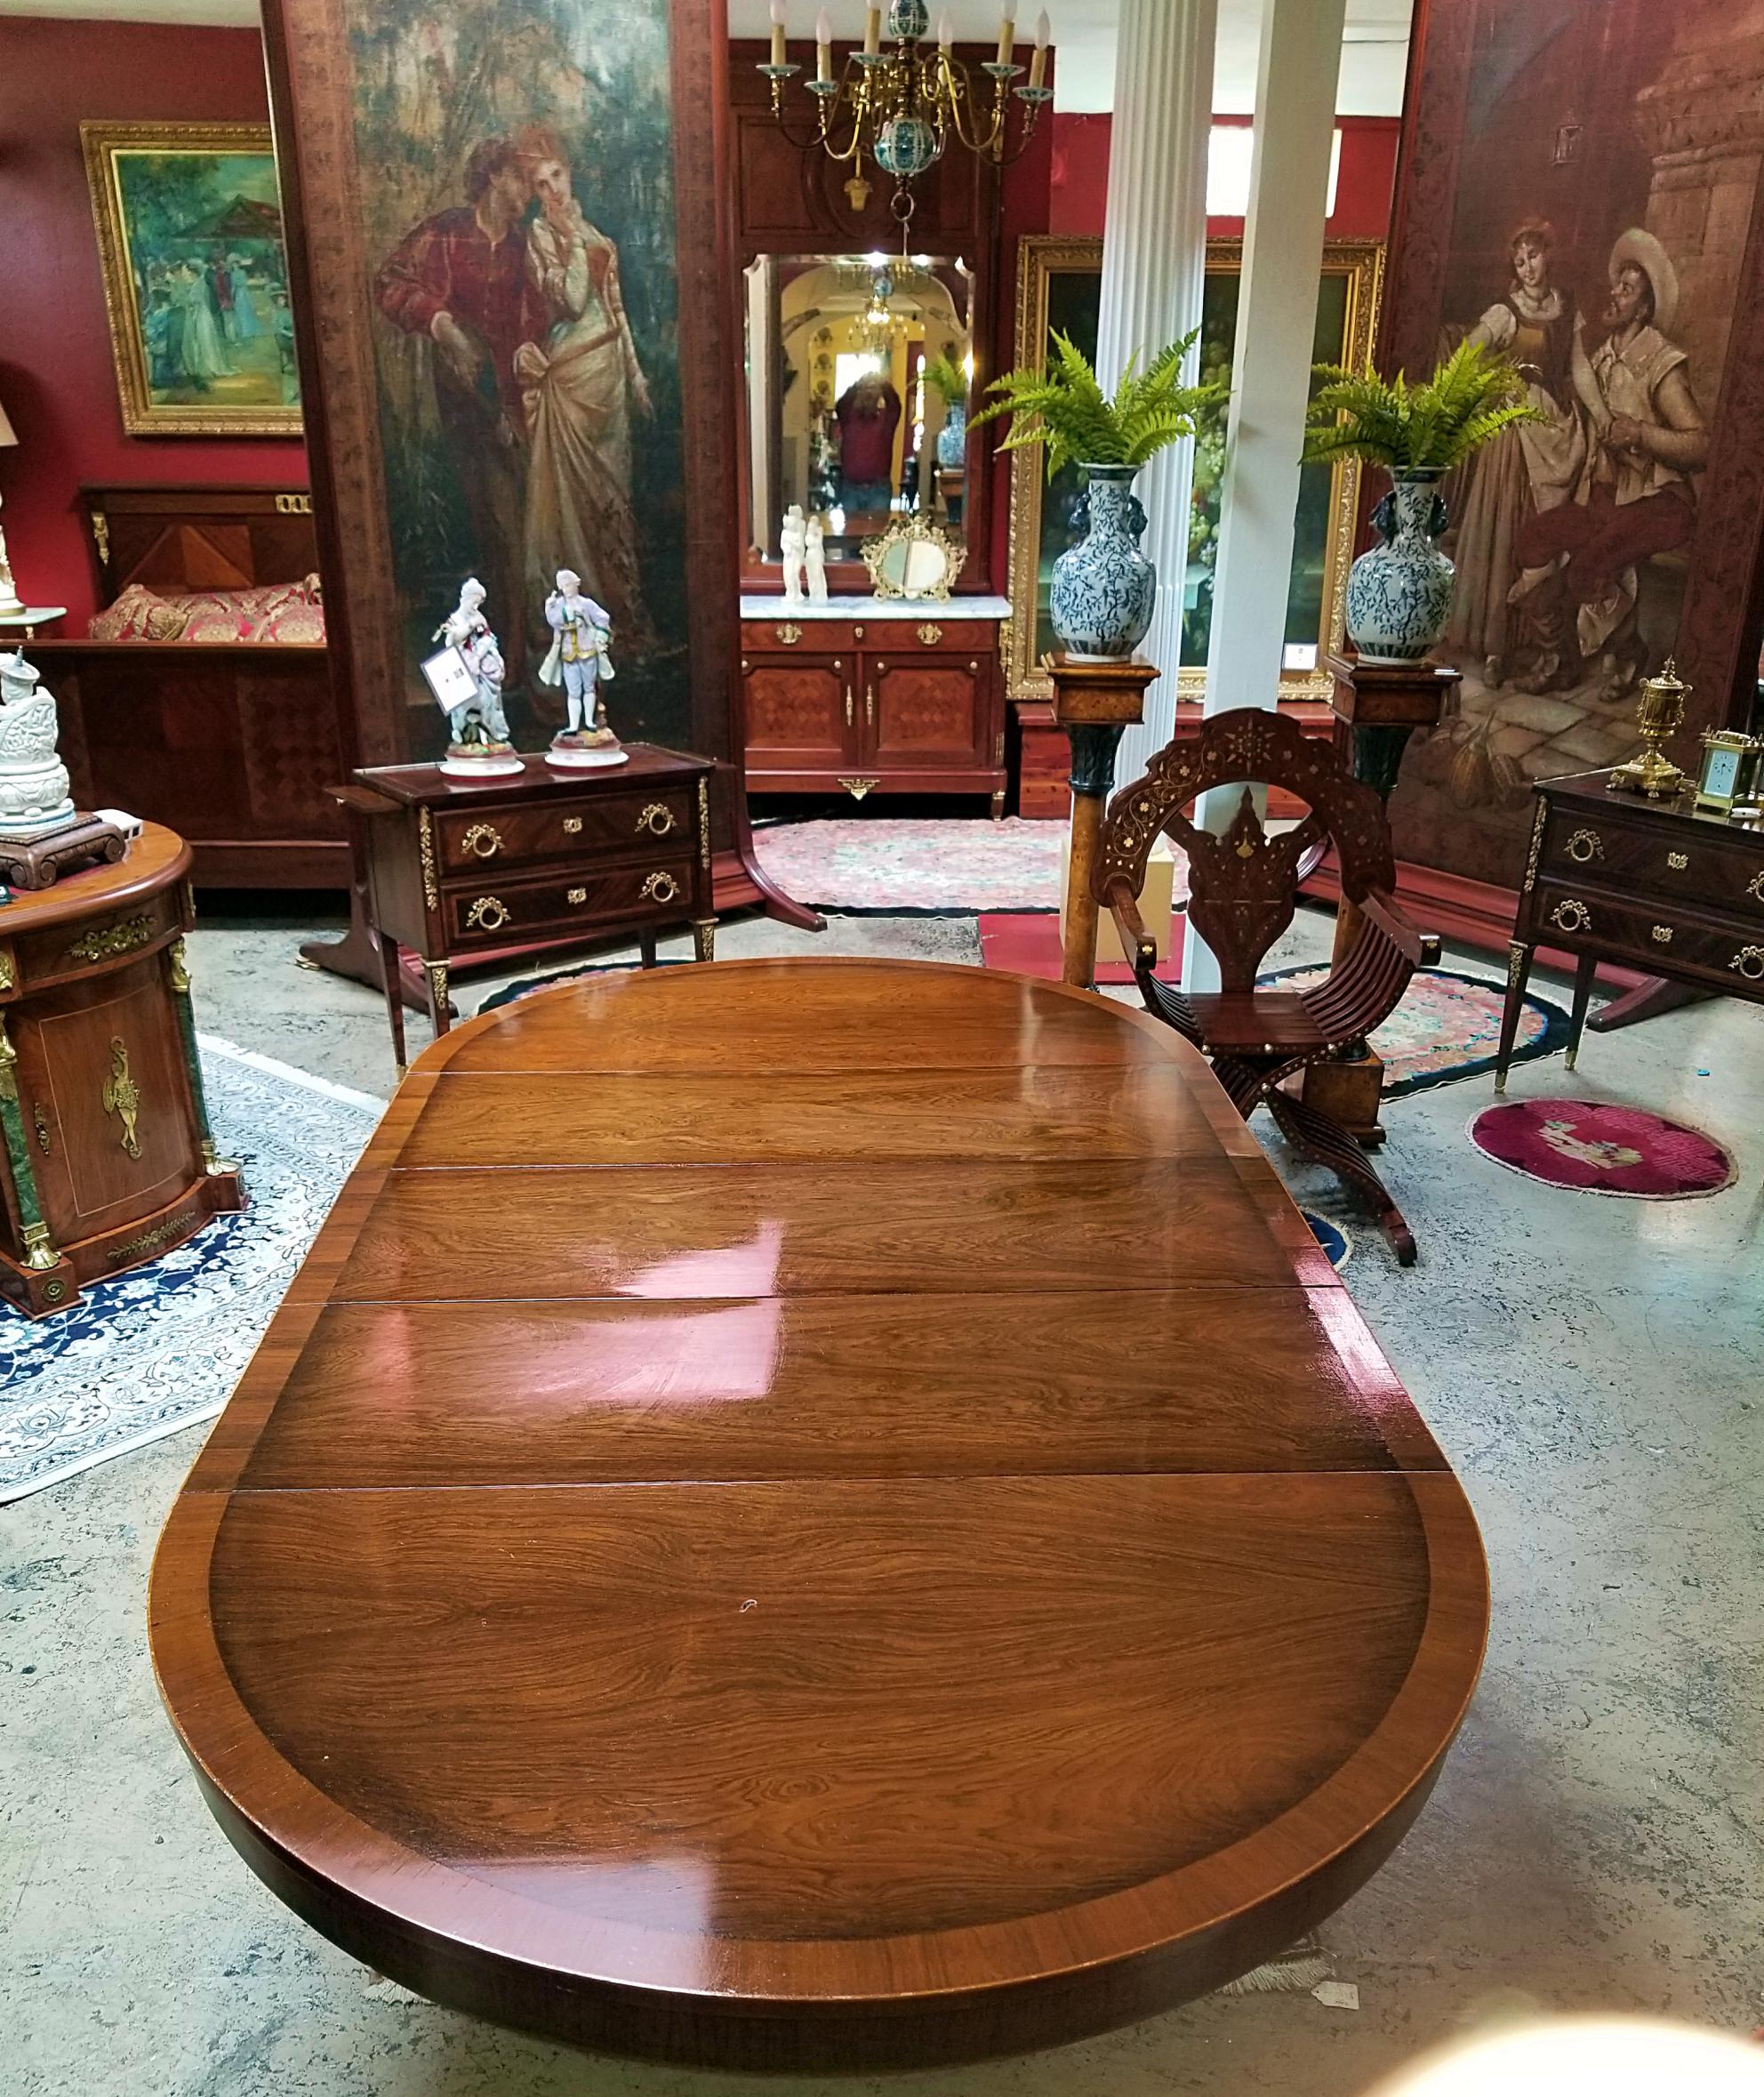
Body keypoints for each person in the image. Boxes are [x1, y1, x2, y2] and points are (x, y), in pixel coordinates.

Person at [1511, 229, 1709, 698]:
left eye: (1627, 289)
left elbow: (1701, 446)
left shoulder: (1660, 362)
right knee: (1534, 538)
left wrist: (1640, 434)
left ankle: (1627, 653)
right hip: (1607, 498)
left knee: (1587, 567)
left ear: (1644, 308)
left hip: (1660, 502)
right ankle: (1561, 656)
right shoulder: (1599, 360)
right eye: (1616, 284)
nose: (1614, 295)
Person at [376, 137, 541, 687]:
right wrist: (441, 324)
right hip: (462, 401)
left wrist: (528, 356)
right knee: (492, 527)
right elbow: (391, 283)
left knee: (518, 528)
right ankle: (492, 673)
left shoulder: (521, 246)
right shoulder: (446, 232)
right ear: (494, 177)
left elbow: (530, 323)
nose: (528, 193)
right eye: (521, 180)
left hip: (513, 399)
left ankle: (508, 669)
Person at [512, 125, 655, 655]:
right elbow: (572, 302)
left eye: (557, 176)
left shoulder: (598, 235)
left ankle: (624, 622)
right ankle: (578, 630)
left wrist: (636, 374)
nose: (553, 190)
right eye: (541, 184)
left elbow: (616, 311)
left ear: (570, 172)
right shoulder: (542, 237)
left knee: (614, 494)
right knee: (575, 505)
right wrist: (569, 239)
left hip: (609, 380)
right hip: (570, 382)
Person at [1444, 221, 1589, 679]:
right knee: (1503, 532)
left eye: (1535, 255)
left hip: (1551, 429)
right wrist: (1491, 389)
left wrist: (1601, 421)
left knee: (1540, 533)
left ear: (1549, 255)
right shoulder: (1504, 312)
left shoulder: (1568, 312)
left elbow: (1580, 371)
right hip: (1511, 437)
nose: (1528, 267)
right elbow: (1466, 355)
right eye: (1519, 259)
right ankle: (1494, 648)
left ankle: (1534, 644)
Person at [539, 566, 615, 743]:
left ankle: (589, 721)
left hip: (587, 650)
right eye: (564, 585)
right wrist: (549, 608)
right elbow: (554, 621)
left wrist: (599, 635)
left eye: (569, 584)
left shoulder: (586, 604)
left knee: (589, 687)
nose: (567, 588)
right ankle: (573, 725)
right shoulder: (558, 605)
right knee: (573, 691)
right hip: (568, 653)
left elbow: (602, 618)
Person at [834, 373, 901, 513]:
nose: (869, 392)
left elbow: (894, 404)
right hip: (850, 489)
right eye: (865, 389)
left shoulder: (886, 419)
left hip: (879, 490)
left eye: (873, 388)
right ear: (858, 393)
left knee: (877, 533)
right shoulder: (848, 418)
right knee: (851, 533)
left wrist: (883, 384)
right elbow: (841, 405)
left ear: (879, 394)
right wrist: (858, 384)